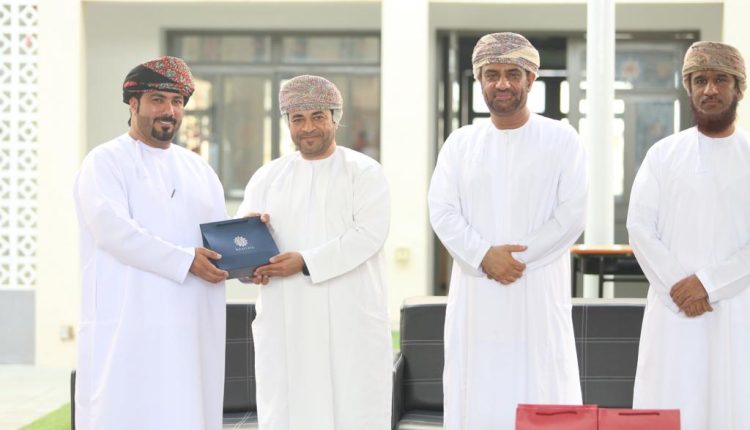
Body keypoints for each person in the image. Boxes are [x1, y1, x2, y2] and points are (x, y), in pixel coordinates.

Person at [428, 32, 587, 429]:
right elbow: (442, 210)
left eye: (513, 74)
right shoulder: (460, 143)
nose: (502, 84)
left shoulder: (562, 139)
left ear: (530, 78)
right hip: (477, 295)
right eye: (492, 74)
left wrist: (515, 260)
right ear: (479, 80)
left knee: (542, 382)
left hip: (537, 289)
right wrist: (484, 256)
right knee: (478, 387)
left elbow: (571, 214)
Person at [74, 56, 228, 430]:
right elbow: (113, 231)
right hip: (130, 325)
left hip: (191, 326)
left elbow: (219, 237)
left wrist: (250, 243)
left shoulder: (199, 169)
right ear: (134, 103)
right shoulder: (105, 161)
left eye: (177, 102)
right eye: (158, 99)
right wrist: (185, 260)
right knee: (127, 410)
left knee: (187, 410)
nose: (169, 111)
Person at [236, 75, 392, 429]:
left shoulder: (364, 172)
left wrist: (305, 262)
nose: (308, 127)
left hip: (348, 318)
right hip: (287, 318)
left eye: (318, 116)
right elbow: (244, 246)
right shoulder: (267, 177)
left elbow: (369, 235)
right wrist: (249, 263)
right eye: (298, 118)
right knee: (290, 409)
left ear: (336, 118)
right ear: (287, 123)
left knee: (353, 408)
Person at [628, 41, 750, 430]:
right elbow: (639, 227)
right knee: (671, 401)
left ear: (739, 88)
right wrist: (680, 287)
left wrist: (708, 284)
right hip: (673, 310)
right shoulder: (662, 155)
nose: (709, 89)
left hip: (736, 309)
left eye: (721, 80)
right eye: (700, 80)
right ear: (689, 88)